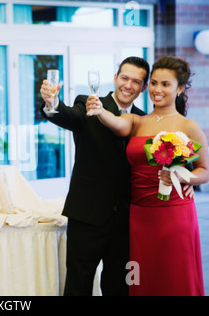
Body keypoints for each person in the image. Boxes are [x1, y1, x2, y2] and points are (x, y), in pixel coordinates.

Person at [86, 56, 209, 296]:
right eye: (153, 83)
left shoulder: (188, 126)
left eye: (165, 84)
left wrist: (184, 177)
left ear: (180, 89)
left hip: (175, 213)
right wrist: (100, 111)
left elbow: (204, 171)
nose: (157, 90)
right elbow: (115, 123)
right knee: (141, 275)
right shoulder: (136, 121)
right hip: (140, 214)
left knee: (173, 274)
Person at [40, 57, 151, 296]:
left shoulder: (144, 120)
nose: (128, 85)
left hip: (126, 220)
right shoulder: (89, 103)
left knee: (120, 286)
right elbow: (67, 116)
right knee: (78, 284)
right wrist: (52, 103)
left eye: (136, 81)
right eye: (124, 78)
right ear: (115, 78)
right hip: (87, 214)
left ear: (143, 87)